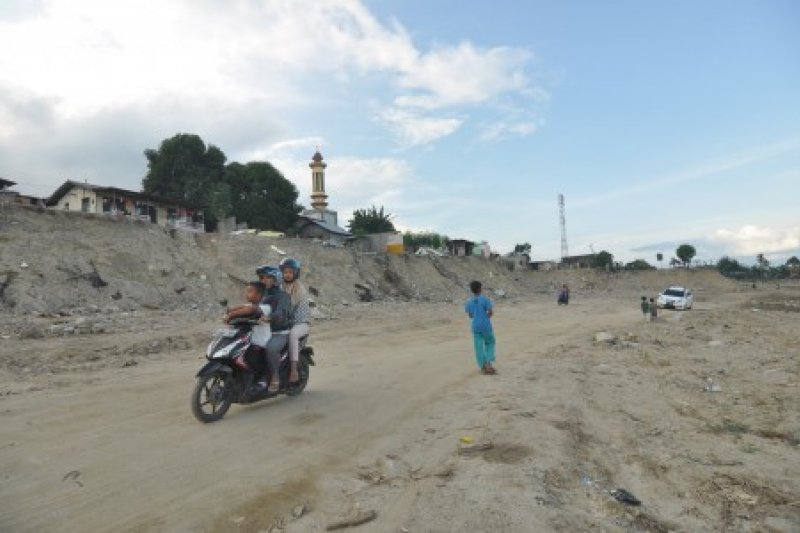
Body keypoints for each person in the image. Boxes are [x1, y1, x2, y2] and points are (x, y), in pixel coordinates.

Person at [253, 265, 293, 393]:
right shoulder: (260, 295)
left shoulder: (283, 296)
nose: (263, 280)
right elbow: (251, 309)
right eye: (261, 277)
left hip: (279, 332)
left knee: (271, 348)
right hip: (261, 330)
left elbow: (281, 313)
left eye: (267, 278)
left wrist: (269, 317)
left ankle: (275, 377)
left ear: (275, 279)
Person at [223, 282, 271, 374]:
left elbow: (251, 309)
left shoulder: (265, 307)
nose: (246, 294)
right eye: (246, 292)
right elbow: (239, 307)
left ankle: (261, 379)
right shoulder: (249, 305)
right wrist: (228, 310)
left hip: (260, 342)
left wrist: (231, 315)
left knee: (249, 361)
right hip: (248, 340)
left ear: (259, 295)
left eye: (249, 292)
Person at [279, 257, 311, 384]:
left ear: (296, 273)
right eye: (285, 272)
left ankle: (293, 370)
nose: (287, 275)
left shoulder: (299, 289)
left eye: (290, 272)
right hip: (284, 322)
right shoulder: (280, 286)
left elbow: (288, 308)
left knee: (292, 335)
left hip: (300, 323)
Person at [465, 280, 496, 375]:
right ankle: (488, 363)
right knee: (490, 343)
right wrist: (487, 316)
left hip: (476, 327)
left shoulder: (468, 302)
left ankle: (483, 365)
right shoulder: (485, 299)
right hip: (485, 325)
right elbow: (490, 312)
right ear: (480, 289)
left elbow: (470, 315)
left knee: (478, 347)